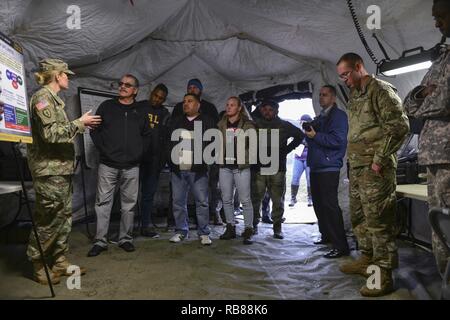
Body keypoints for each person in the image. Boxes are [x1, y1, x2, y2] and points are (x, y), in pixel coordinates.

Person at [336, 53, 409, 297]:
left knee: (379, 223)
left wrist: (379, 159)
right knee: (360, 218)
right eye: (342, 76)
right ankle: (366, 260)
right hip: (357, 168)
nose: (345, 80)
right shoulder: (356, 94)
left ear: (359, 67)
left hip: (376, 169)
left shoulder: (380, 90)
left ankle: (383, 277)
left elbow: (399, 127)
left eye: (346, 74)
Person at [27, 59, 101, 284]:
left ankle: (59, 261)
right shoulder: (42, 98)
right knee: (48, 219)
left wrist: (80, 124)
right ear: (56, 75)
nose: (68, 77)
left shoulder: (54, 100)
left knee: (63, 217)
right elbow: (51, 135)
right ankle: (38, 263)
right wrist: (80, 123)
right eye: (65, 74)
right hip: (49, 172)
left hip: (60, 171)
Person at [404, 0, 450, 278]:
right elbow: (409, 103)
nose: (436, 23)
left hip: (447, 157)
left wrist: (421, 100)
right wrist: (422, 97)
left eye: (441, 16)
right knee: (439, 227)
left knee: (447, 224)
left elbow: (445, 101)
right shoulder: (441, 59)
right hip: (435, 156)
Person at [87, 74, 151, 257]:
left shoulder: (141, 111)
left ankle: (125, 239)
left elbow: (147, 136)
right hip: (108, 165)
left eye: (127, 85)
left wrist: (137, 153)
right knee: (103, 203)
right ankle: (100, 241)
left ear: (135, 90)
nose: (122, 87)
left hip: (132, 167)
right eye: (121, 84)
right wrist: (105, 149)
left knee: (128, 205)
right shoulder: (107, 107)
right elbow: (94, 130)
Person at [305, 85, 349, 258]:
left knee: (330, 206)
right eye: (320, 95)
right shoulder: (322, 117)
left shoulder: (338, 116)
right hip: (317, 166)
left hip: (328, 167)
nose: (321, 98)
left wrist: (315, 136)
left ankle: (341, 246)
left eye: (325, 95)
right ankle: (327, 236)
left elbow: (338, 140)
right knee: (319, 204)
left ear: (333, 98)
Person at [167, 93, 216, 245]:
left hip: (198, 170)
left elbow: (214, 144)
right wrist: (171, 162)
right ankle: (181, 231)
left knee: (202, 201)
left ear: (198, 104)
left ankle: (204, 232)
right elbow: (167, 143)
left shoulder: (207, 121)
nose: (186, 104)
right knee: (178, 202)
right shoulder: (176, 122)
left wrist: (205, 162)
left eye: (190, 101)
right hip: (178, 169)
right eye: (184, 102)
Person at [172, 79, 222, 225]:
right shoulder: (178, 108)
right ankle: (177, 224)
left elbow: (215, 134)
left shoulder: (210, 108)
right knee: (178, 196)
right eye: (189, 87)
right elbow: (172, 132)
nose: (192, 89)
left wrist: (210, 157)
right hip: (182, 157)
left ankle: (213, 216)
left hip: (203, 158)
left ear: (200, 90)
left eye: (195, 87)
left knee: (207, 192)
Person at [251, 100, 304, 239]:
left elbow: (300, 135)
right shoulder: (255, 125)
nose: (267, 112)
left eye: (270, 109)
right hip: (259, 168)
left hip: (278, 168)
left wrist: (286, 150)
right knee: (255, 198)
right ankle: (254, 225)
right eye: (265, 109)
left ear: (276, 111)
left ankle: (277, 227)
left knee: (277, 199)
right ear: (261, 110)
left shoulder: (284, 125)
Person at [218, 97, 255, 245]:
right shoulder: (221, 123)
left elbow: (253, 145)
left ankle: (248, 229)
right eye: (227, 105)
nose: (228, 107)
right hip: (225, 166)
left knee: (245, 200)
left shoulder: (248, 125)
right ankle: (230, 227)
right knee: (226, 199)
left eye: (232, 105)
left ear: (239, 108)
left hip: (241, 167)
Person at [139, 84, 170, 238]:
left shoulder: (165, 113)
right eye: (155, 96)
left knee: (148, 195)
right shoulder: (139, 107)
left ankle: (145, 225)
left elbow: (167, 140)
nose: (157, 100)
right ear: (151, 93)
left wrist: (162, 161)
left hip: (154, 162)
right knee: (128, 196)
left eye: (161, 98)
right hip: (136, 160)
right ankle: (127, 226)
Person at [290, 114, 313, 208]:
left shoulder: (311, 130)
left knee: (309, 180)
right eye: (301, 121)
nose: (302, 123)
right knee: (295, 178)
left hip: (309, 158)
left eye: (304, 121)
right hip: (298, 157)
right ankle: (293, 198)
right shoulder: (297, 130)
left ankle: (310, 198)